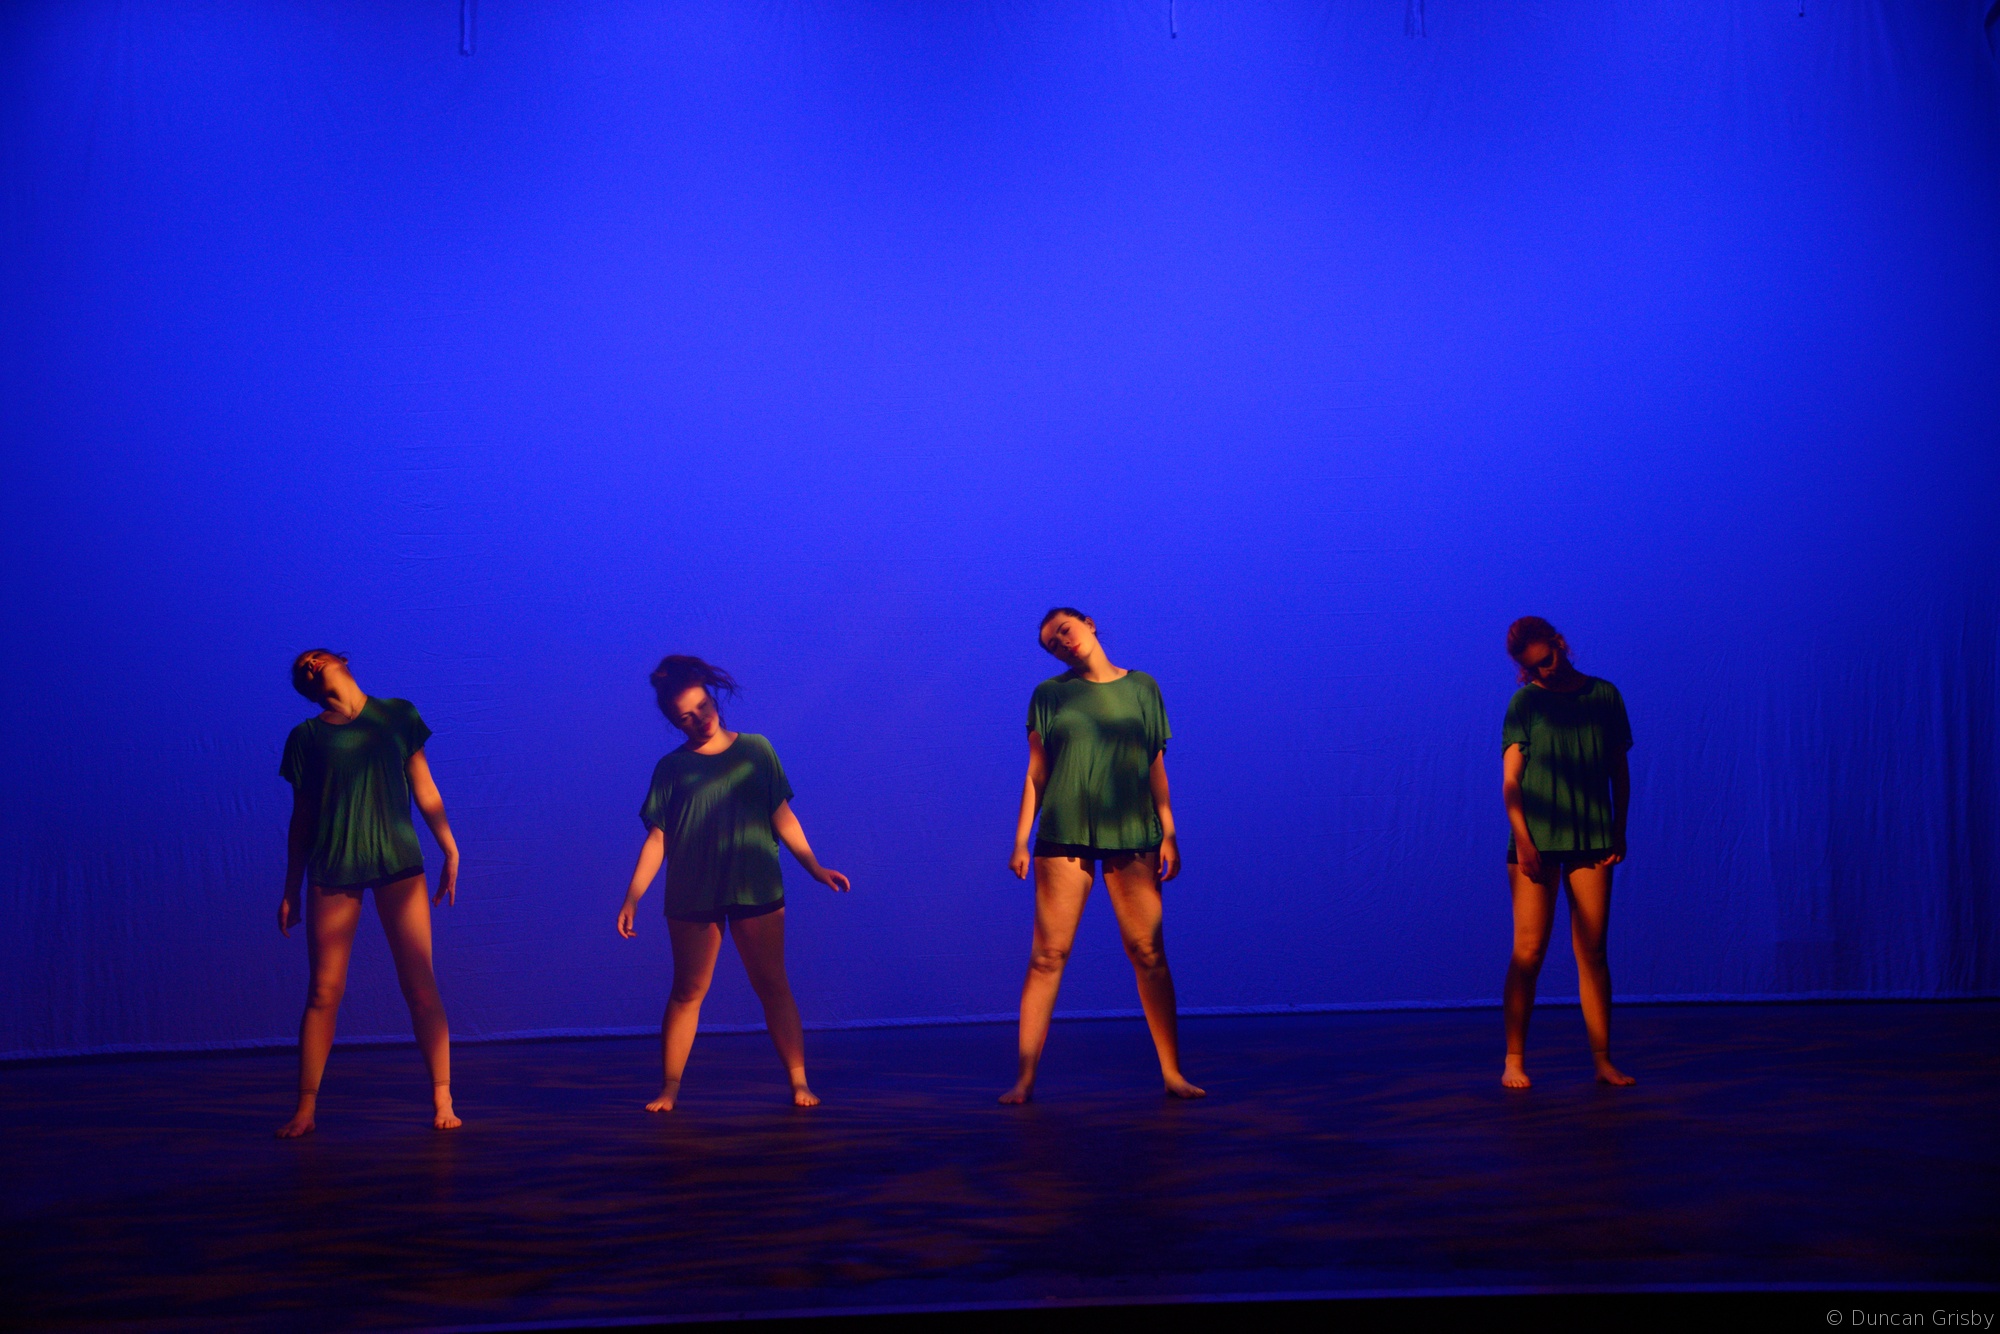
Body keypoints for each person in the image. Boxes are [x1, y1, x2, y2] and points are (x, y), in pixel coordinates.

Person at [617, 656, 850, 1110]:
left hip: (755, 885)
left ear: (712, 698)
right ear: (674, 722)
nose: (700, 719)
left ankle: (800, 1082)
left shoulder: (757, 750)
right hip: (692, 892)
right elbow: (658, 839)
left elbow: (782, 816)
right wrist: (632, 897)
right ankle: (669, 1088)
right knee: (687, 991)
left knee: (773, 984)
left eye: (703, 707)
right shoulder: (672, 769)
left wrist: (814, 867)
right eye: (686, 717)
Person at [1002, 608, 1203, 1104]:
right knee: (1048, 955)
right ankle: (1024, 1079)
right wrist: (1021, 839)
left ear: (1088, 624)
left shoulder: (1142, 687)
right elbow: (1036, 772)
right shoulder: (1049, 695)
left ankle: (1172, 1073)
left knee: (1148, 952)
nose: (1062, 643)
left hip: (1131, 830)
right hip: (1064, 831)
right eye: (1052, 644)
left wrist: (1170, 833)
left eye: (1064, 631)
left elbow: (1155, 766)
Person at [276, 650, 462, 1137]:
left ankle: (443, 1097)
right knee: (324, 990)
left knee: (419, 983)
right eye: (303, 666)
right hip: (334, 864)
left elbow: (424, 787)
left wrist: (449, 847)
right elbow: (301, 819)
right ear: (306, 686)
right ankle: (305, 1108)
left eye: (316, 656)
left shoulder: (397, 714)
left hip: (397, 860)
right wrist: (291, 887)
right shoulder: (306, 737)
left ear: (340, 660)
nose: (311, 663)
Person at [1499, 617, 1635, 1088]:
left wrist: (1619, 830)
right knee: (1529, 950)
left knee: (1592, 950)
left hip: (1592, 836)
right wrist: (1524, 841)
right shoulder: (1526, 703)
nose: (1546, 670)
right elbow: (1511, 781)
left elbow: (1619, 771)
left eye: (1548, 658)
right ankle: (1513, 1059)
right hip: (1535, 840)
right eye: (1533, 666)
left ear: (1560, 643)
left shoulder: (1604, 696)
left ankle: (1602, 1060)